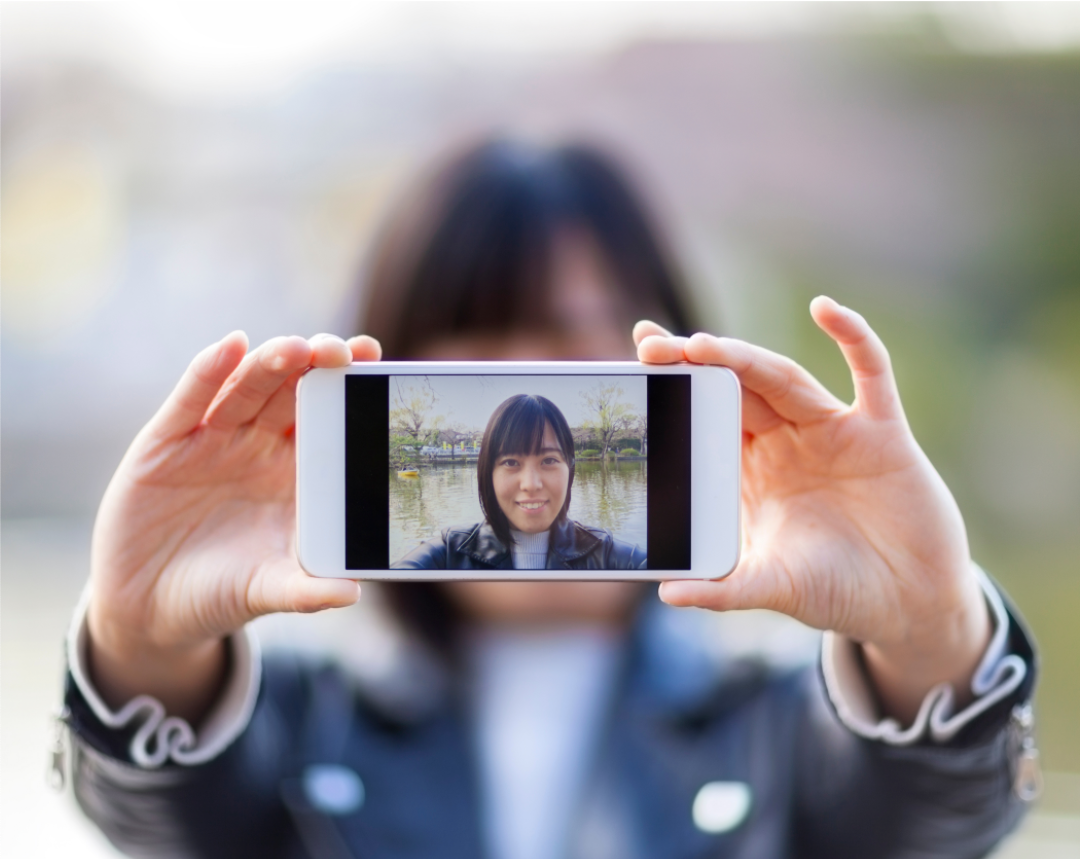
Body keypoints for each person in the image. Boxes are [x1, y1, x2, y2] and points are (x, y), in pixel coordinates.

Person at [59, 139, 1037, 859]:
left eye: (572, 341)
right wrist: (140, 643)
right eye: (473, 349)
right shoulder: (304, 715)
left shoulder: (777, 717)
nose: (525, 399)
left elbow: (931, 813)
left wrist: (929, 629)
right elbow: (168, 809)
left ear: (675, 364)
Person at [393, 393, 646, 571]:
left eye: (548, 460)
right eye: (511, 463)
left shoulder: (613, 558)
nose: (531, 484)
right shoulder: (448, 555)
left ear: (570, 468)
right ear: (487, 473)